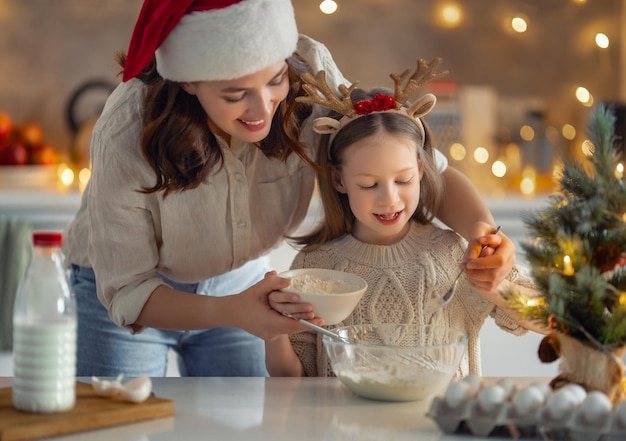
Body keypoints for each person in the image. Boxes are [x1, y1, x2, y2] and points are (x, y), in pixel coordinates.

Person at [63, 0, 516, 377]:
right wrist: (230, 312)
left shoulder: (311, 76)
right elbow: (127, 291)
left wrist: (483, 234)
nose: (263, 108)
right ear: (188, 82)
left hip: (242, 284)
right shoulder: (127, 126)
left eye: (274, 79)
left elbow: (428, 173)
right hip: (130, 298)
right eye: (235, 93)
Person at [264, 75, 546, 378]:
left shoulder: (453, 255)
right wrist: (273, 330)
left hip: (438, 423)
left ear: (423, 170)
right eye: (369, 184)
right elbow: (292, 379)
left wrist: (497, 287)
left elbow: (547, 318)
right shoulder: (314, 267)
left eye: (403, 180)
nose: (390, 199)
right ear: (339, 180)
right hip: (343, 425)